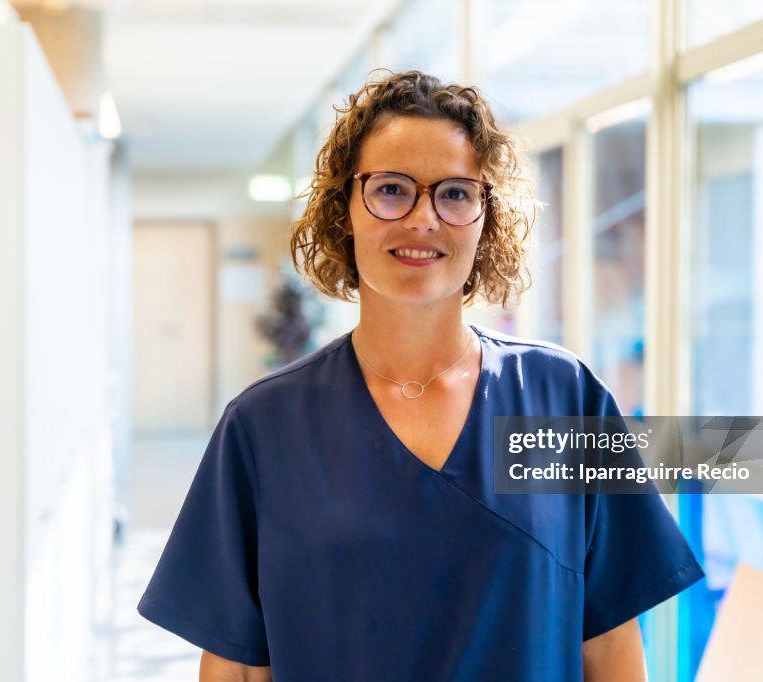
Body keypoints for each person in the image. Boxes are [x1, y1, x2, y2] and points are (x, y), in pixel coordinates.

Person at [137, 70, 703, 682]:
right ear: (344, 209)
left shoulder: (562, 399)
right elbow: (237, 668)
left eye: (455, 193)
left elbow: (611, 649)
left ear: (487, 216)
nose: (423, 219)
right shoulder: (266, 426)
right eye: (391, 189)